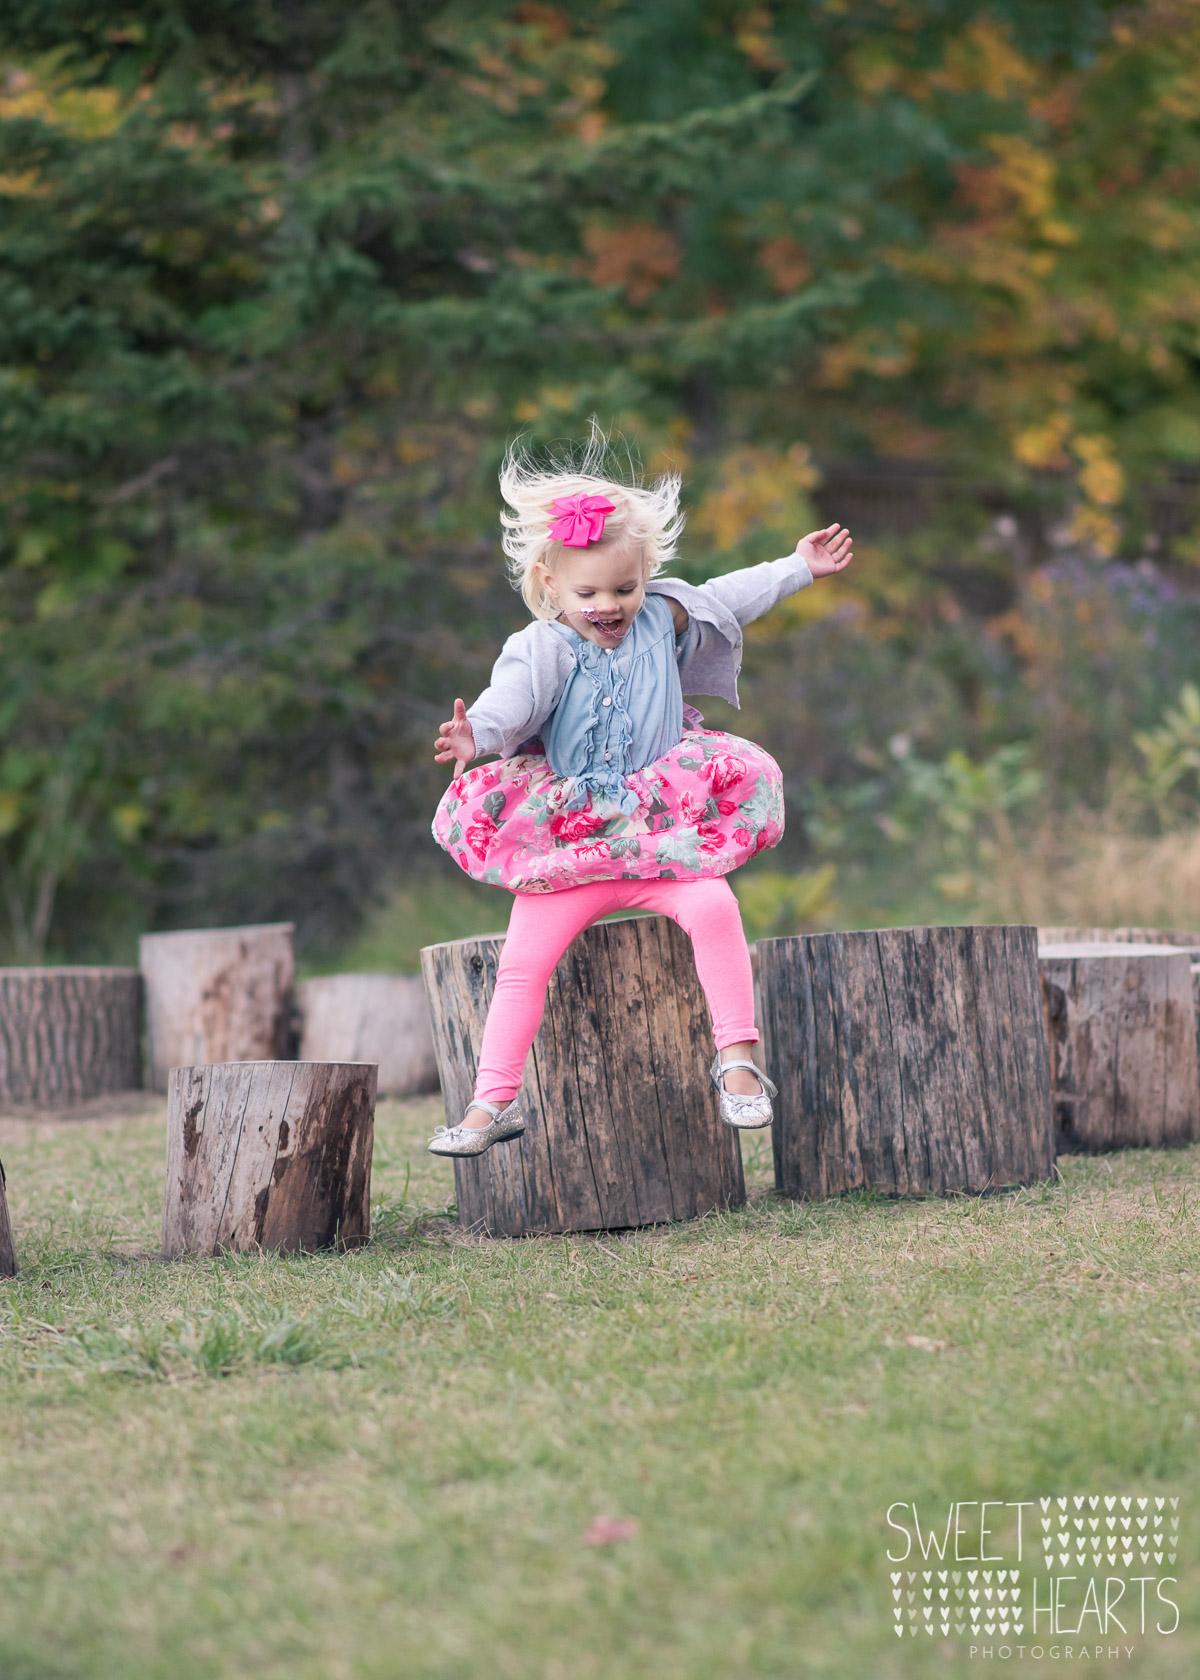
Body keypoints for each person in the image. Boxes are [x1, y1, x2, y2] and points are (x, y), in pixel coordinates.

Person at [428, 432, 853, 1156]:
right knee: (524, 963)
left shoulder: (664, 617)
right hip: (575, 838)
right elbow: (511, 699)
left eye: (623, 589)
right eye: (588, 593)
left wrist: (798, 567)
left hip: (662, 827)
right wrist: (482, 736)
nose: (609, 606)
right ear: (551, 585)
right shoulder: (544, 646)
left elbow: (730, 597)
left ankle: (739, 1063)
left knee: (715, 905)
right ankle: (490, 1101)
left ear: (644, 577)